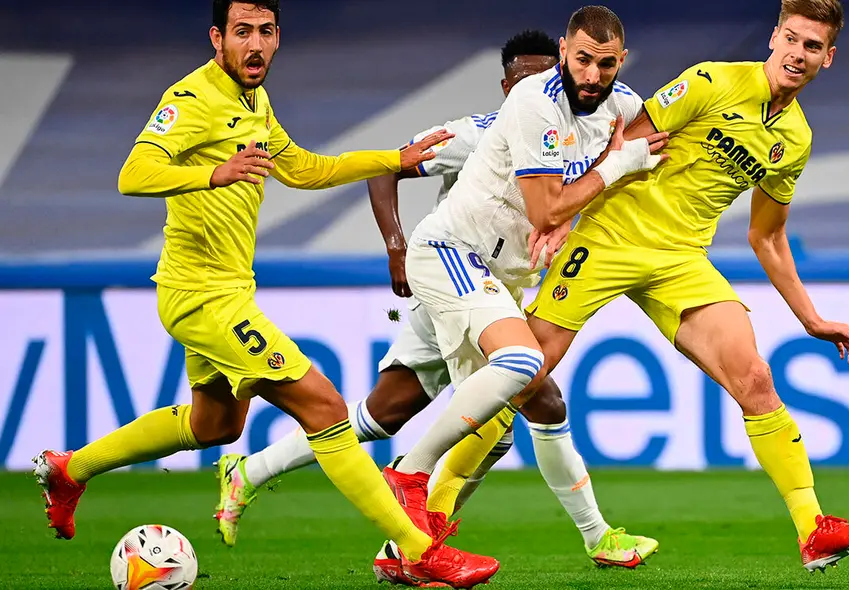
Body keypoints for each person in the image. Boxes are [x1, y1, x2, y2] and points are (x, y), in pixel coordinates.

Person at [31, 1, 498, 586]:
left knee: (216, 426)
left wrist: (392, 159)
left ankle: (71, 470)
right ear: (217, 38)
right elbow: (134, 173)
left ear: (278, 38)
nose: (255, 44)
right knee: (324, 407)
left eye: (266, 32)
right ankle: (418, 550)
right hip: (203, 296)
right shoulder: (191, 99)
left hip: (221, 291)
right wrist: (213, 173)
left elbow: (303, 169)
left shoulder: (255, 101)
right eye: (242, 32)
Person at [214, 29, 658, 575]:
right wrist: (395, 247)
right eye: (527, 78)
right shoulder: (478, 132)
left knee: (386, 413)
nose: (551, 85)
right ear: (508, 86)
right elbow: (387, 166)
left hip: (493, 286)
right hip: (453, 270)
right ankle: (582, 535)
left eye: (548, 74)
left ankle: (253, 473)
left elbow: (589, 181)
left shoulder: (586, 127)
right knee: (527, 398)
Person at [522, 0, 849, 573]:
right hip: (610, 235)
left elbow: (768, 236)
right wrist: (564, 212)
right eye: (791, 38)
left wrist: (811, 318)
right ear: (774, 37)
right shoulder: (712, 81)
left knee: (755, 378)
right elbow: (620, 146)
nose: (798, 53)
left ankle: (814, 530)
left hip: (681, 259)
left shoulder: (795, 139)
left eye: (812, 46)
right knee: (521, 372)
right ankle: (429, 514)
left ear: (828, 58)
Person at [375, 3, 667, 573]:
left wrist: (578, 211)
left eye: (606, 64)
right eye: (582, 60)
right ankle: (408, 472)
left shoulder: (624, 106)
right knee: (516, 365)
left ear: (621, 61)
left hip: (500, 277)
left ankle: (406, 554)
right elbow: (546, 207)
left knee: (510, 418)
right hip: (453, 251)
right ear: (564, 51)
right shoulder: (533, 103)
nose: (593, 75)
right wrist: (613, 170)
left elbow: (634, 155)